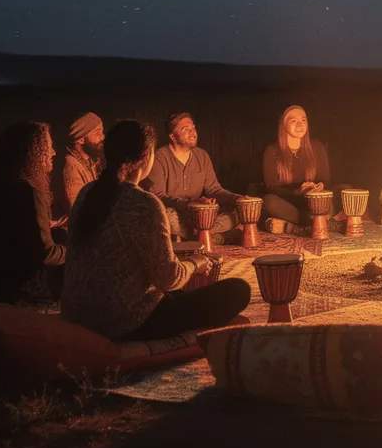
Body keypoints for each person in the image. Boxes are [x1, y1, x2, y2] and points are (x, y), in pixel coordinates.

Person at [62, 120, 251, 340]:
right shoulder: (144, 203)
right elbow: (168, 279)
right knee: (238, 290)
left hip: (76, 315)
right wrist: (195, 264)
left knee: (178, 294)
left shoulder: (87, 193)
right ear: (146, 158)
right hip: (124, 323)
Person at [0, 122, 66, 306]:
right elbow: (44, 255)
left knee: (61, 234)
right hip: (8, 286)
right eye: (49, 148)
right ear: (33, 152)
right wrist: (72, 252)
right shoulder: (28, 192)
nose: (54, 153)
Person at [143, 112, 240, 238]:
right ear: (173, 136)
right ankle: (213, 236)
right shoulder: (159, 158)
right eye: (185, 129)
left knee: (236, 212)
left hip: (198, 216)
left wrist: (236, 198)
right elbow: (157, 196)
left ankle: (198, 235)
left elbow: (214, 189)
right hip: (176, 213)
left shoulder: (202, 156)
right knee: (167, 216)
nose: (192, 132)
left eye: (193, 127)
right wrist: (189, 203)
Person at [261, 105, 349, 232]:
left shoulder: (317, 147)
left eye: (303, 120)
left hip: (315, 201)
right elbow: (271, 187)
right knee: (269, 201)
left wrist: (319, 186)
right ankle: (321, 223)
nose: (300, 125)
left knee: (344, 189)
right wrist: (297, 191)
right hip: (289, 204)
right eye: (293, 121)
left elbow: (325, 180)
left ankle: (292, 226)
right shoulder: (272, 151)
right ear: (284, 125)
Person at [52, 112, 105, 226]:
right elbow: (77, 213)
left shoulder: (88, 162)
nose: (103, 138)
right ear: (80, 139)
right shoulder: (70, 165)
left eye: (102, 132)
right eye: (98, 133)